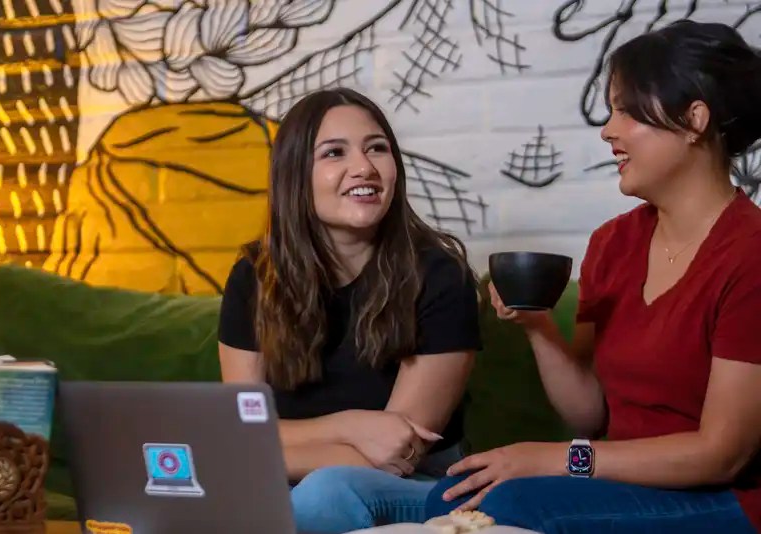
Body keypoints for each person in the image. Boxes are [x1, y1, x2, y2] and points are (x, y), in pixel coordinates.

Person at [425, 19, 761, 533]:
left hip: (728, 499)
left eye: (626, 110)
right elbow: (592, 415)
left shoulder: (750, 253)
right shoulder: (613, 244)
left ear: (694, 119)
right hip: (624, 482)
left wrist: (562, 459)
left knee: (504, 509)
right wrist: (537, 327)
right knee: (451, 499)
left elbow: (722, 455)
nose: (608, 130)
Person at [217, 87, 481, 533]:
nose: (364, 167)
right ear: (295, 175)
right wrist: (351, 425)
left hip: (417, 484)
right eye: (334, 153)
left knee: (325, 492)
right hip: (288, 477)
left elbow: (400, 453)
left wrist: (259, 452)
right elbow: (243, 427)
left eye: (377, 148)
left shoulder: (441, 275)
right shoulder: (254, 277)